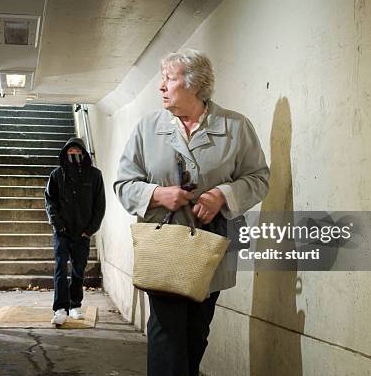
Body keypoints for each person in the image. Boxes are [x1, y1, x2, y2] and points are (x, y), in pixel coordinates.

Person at [114, 48, 270, 376]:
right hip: (164, 248)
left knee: (196, 334)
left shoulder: (236, 127)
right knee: (166, 333)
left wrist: (222, 195)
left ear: (195, 85)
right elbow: (124, 184)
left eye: (169, 79)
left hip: (211, 247)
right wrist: (157, 194)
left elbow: (259, 179)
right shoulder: (147, 128)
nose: (161, 86)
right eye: (162, 79)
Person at [45, 137, 106, 325]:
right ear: (65, 153)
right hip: (62, 232)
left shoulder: (95, 175)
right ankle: (60, 308)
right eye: (70, 152)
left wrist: (90, 230)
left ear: (84, 153)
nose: (74, 154)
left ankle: (75, 305)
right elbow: (50, 202)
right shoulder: (56, 175)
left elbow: (100, 205)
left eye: (77, 151)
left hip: (82, 233)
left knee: (79, 269)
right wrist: (58, 225)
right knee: (60, 269)